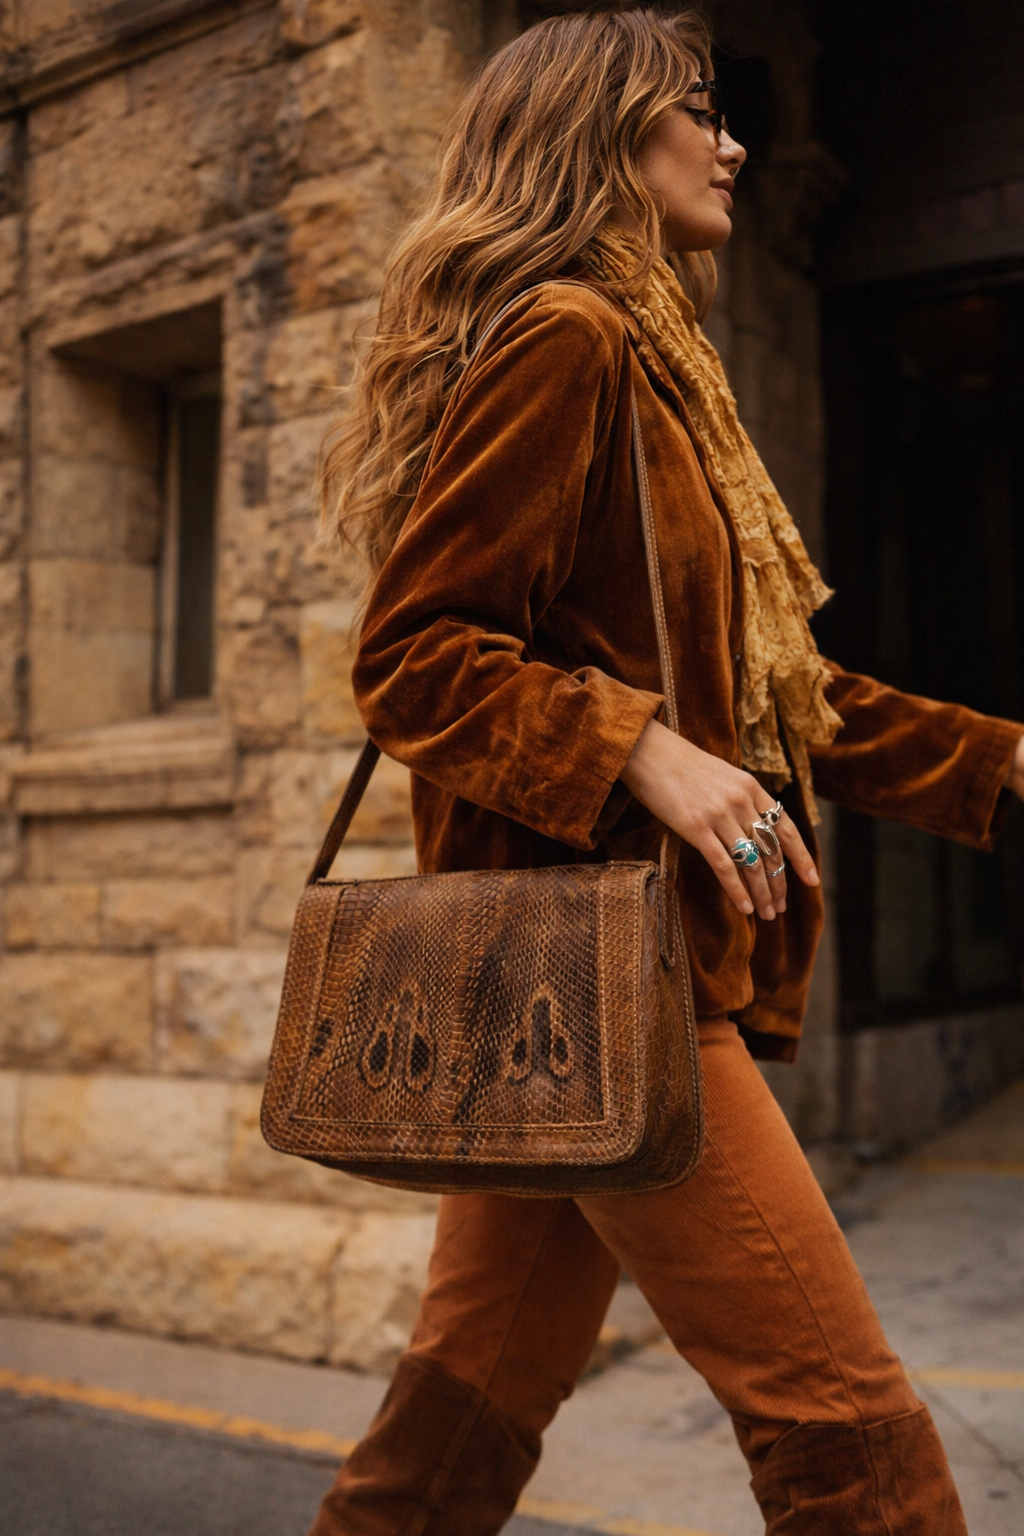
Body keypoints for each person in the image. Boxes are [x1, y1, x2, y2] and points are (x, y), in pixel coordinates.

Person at [306, 10, 1024, 1533]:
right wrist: (638, 748)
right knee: (849, 1431)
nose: (735, 140)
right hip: (605, 974)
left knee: (458, 1419)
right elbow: (414, 653)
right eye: (697, 111)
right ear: (601, 135)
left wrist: (1006, 768)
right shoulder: (570, 336)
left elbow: (786, 700)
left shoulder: (657, 371)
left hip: (554, 995)